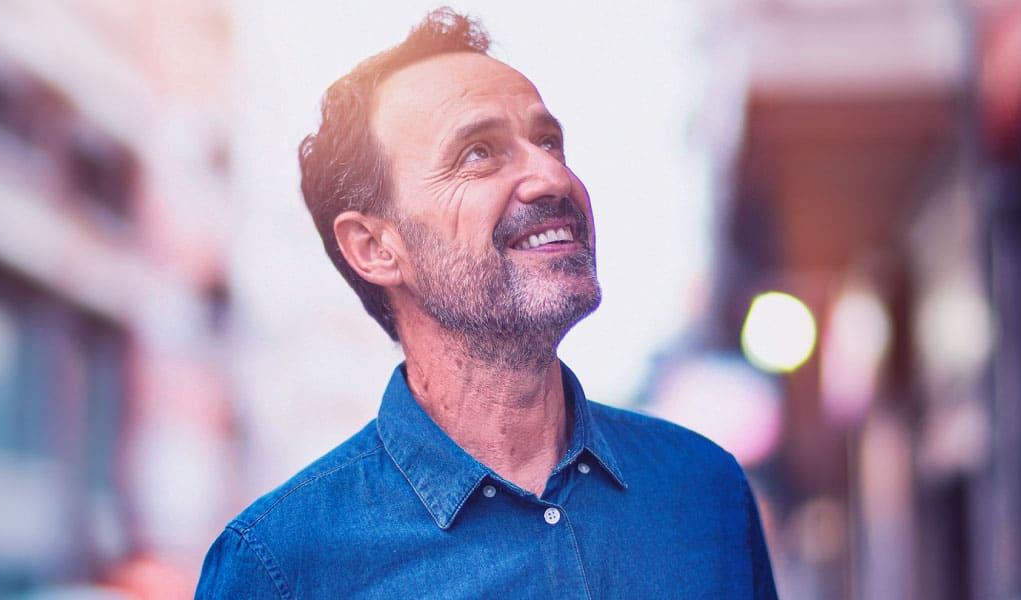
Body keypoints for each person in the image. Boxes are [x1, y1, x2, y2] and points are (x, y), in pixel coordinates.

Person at [197, 8, 777, 598]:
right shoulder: (278, 565)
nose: (551, 176)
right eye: (478, 153)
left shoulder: (706, 493)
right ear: (374, 248)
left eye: (548, 141)